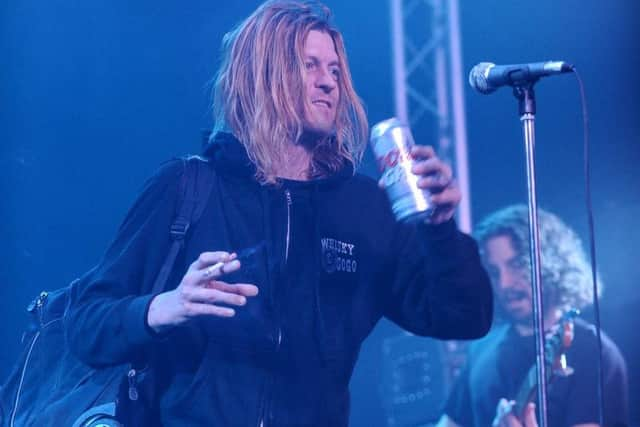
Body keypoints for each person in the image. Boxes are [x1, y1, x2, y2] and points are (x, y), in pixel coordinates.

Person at [65, 1, 493, 425]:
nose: (328, 82)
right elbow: (85, 325)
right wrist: (164, 307)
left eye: (335, 70)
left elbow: (463, 317)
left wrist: (440, 231)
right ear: (261, 74)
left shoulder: (365, 208)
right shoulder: (187, 187)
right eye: (309, 65)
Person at [436, 205, 629, 427]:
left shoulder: (594, 351)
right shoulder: (481, 349)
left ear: (551, 263)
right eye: (494, 271)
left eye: (517, 264)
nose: (505, 283)